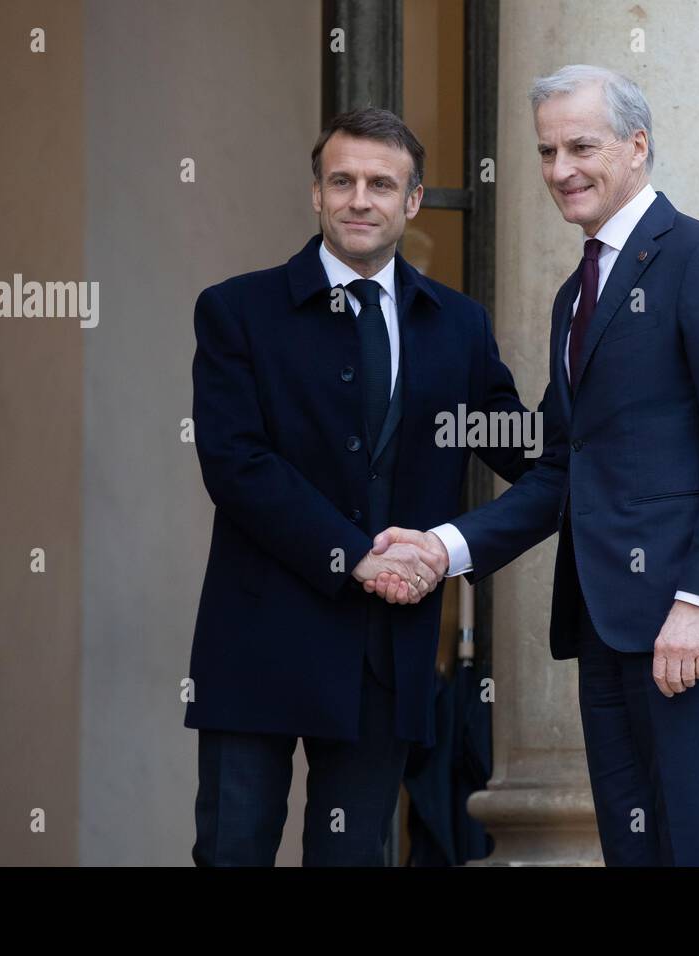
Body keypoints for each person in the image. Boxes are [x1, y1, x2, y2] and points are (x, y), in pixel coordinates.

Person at [373, 65, 699, 865]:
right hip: (604, 625)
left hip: (683, 623)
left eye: (581, 146)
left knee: (697, 852)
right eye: (547, 151)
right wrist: (444, 547)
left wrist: (698, 602)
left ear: (637, 145)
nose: (561, 170)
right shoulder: (575, 293)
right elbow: (564, 469)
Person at [185, 107, 530, 866]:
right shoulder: (238, 311)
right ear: (315, 193)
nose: (359, 200)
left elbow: (521, 449)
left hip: (387, 654)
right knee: (232, 851)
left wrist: (620, 426)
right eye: (341, 181)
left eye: (381, 184)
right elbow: (237, 464)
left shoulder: (458, 327)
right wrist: (356, 557)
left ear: (411, 202)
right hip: (259, 640)